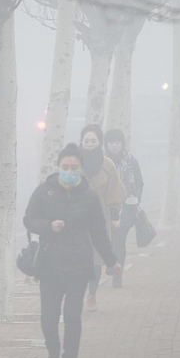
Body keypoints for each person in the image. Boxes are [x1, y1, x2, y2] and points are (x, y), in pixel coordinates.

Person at [23, 143, 123, 358]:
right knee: (48, 318)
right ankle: (53, 350)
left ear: (81, 169)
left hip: (78, 264)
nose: (69, 171)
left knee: (72, 316)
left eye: (74, 167)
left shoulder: (89, 196)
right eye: (65, 167)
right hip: (50, 264)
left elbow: (99, 232)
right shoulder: (44, 191)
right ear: (58, 167)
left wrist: (112, 261)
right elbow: (29, 219)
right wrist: (49, 226)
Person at [79, 124, 126, 310]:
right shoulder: (73, 162)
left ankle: (91, 295)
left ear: (100, 143)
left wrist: (114, 217)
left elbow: (115, 191)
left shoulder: (107, 165)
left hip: (99, 219)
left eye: (93, 141)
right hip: (76, 219)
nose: (90, 144)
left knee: (96, 259)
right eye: (86, 141)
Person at [104, 129, 144, 288]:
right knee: (109, 240)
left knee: (120, 241)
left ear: (122, 143)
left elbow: (139, 181)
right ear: (106, 144)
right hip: (107, 207)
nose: (114, 145)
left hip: (127, 207)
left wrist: (136, 198)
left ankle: (117, 275)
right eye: (111, 142)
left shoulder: (131, 161)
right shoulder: (102, 161)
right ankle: (111, 264)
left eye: (117, 142)